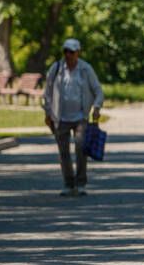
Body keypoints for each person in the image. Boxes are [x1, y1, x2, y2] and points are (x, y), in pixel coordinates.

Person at [43, 37, 104, 196]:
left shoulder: (86, 69)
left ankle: (81, 183)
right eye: (66, 51)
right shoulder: (56, 68)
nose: (68, 55)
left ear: (78, 52)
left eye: (71, 52)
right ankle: (68, 184)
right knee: (63, 152)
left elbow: (98, 91)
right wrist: (48, 113)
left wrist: (97, 107)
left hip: (80, 116)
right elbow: (47, 93)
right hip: (60, 117)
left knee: (80, 147)